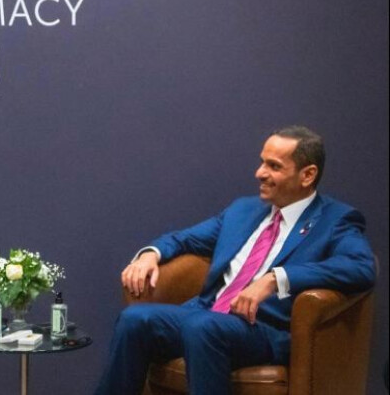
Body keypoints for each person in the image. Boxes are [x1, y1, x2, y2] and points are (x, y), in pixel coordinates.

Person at [95, 126, 376, 395]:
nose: (260, 173)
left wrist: (276, 279)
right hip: (206, 312)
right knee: (135, 320)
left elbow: (361, 267)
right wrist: (150, 255)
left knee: (203, 327)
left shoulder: (335, 220)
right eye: (262, 162)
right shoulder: (243, 210)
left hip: (263, 329)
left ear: (307, 175)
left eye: (274, 166)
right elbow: (184, 239)